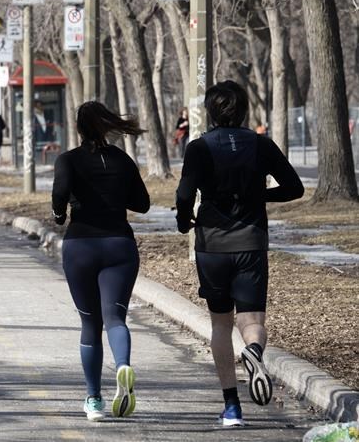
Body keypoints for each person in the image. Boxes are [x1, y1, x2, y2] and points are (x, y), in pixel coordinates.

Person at [175, 80, 304, 427]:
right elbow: (294, 187)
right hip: (251, 242)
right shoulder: (261, 144)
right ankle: (254, 351)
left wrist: (184, 220)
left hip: (212, 246)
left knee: (221, 323)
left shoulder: (199, 147)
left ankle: (232, 407)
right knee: (253, 321)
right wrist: (259, 196)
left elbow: (184, 194)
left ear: (210, 112)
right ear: (245, 111)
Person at [52, 101, 150, 422]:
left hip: (81, 246)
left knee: (90, 324)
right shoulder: (122, 160)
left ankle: (94, 399)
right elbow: (143, 204)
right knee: (116, 318)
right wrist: (115, 194)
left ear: (78, 128)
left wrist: (59, 214)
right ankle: (123, 365)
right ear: (107, 126)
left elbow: (59, 195)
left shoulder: (68, 160)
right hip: (119, 246)